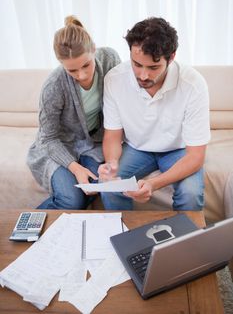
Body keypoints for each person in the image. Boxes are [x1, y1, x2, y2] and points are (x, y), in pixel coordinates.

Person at [98, 17, 210, 211]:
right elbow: (112, 136)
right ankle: (124, 238)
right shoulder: (114, 79)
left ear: (172, 57)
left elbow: (196, 156)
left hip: (179, 150)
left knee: (191, 194)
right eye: (137, 64)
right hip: (136, 148)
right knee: (109, 186)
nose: (142, 75)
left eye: (153, 67)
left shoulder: (193, 84)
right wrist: (112, 163)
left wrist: (153, 184)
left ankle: (184, 241)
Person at [27, 15, 120, 209]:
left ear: (93, 49)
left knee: (99, 188)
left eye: (86, 65)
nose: (82, 75)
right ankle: (25, 228)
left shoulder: (109, 59)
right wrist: (75, 168)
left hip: (92, 144)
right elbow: (48, 138)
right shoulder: (53, 86)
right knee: (72, 199)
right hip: (59, 145)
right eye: (72, 71)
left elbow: (122, 101)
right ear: (61, 65)